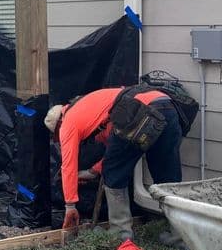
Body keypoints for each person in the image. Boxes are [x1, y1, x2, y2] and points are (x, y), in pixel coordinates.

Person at [45, 86, 184, 240]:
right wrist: (93, 171)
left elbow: (68, 166)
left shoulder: (68, 122)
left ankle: (120, 232)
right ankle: (180, 237)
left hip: (140, 110)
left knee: (113, 173)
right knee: (168, 177)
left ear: (59, 124)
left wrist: (70, 206)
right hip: (167, 105)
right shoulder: (93, 108)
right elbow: (116, 153)